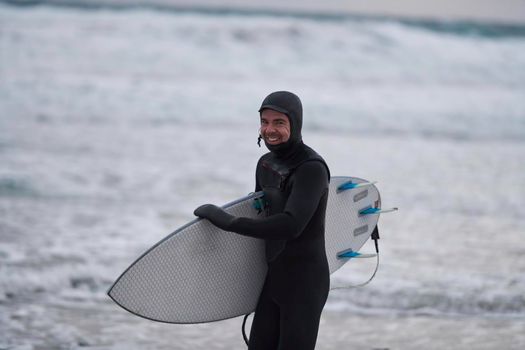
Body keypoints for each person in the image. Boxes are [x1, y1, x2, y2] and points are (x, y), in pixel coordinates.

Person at [194, 91, 330, 349]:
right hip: (274, 278)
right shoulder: (265, 163)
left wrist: (229, 223)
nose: (270, 130)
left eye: (279, 122)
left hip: (305, 284)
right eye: (265, 122)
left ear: (295, 123)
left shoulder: (311, 168)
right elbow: (263, 213)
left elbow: (291, 225)